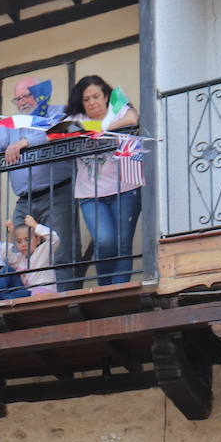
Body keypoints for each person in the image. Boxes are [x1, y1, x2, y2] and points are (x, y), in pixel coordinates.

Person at [0, 77, 77, 288]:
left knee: (60, 251)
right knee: (16, 253)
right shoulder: (12, 124)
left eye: (26, 95)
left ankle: (65, 297)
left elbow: (63, 129)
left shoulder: (56, 112)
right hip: (24, 200)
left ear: (39, 94)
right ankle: (25, 298)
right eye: (17, 98)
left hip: (57, 193)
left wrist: (26, 142)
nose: (22, 102)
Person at [68, 75, 142, 286]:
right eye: (86, 99)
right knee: (105, 241)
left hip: (126, 187)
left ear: (106, 96)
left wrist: (105, 129)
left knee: (123, 244)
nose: (92, 102)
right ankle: (106, 287)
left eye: (96, 96)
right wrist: (83, 131)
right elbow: (52, 135)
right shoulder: (76, 119)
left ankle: (117, 290)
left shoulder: (116, 110)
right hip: (90, 194)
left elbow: (133, 118)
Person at [6, 215, 61, 296]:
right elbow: (5, 255)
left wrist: (35, 225)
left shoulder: (43, 251)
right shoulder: (19, 258)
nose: (23, 244)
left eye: (27, 240)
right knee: (5, 270)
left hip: (45, 291)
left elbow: (55, 238)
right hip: (28, 294)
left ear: (38, 240)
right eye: (19, 241)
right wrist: (10, 234)